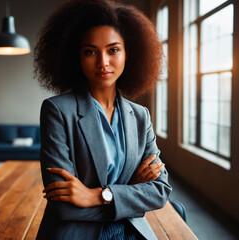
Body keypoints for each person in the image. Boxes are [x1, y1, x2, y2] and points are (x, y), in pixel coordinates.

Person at [34, 0, 172, 239]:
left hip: (132, 233)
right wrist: (130, 193)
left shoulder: (140, 116)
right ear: (76, 56)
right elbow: (64, 206)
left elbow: (160, 191)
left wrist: (97, 196)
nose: (103, 63)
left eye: (113, 50)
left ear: (129, 53)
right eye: (90, 52)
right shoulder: (56, 111)